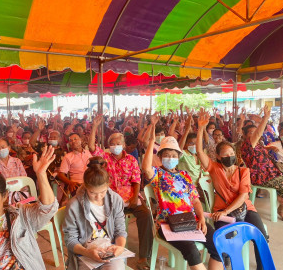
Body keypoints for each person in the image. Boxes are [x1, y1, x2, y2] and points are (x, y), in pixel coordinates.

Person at [141, 115, 223, 270]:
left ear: (179, 158)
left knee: (218, 244)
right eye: (166, 155)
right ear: (160, 157)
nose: (170, 158)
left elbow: (196, 200)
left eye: (173, 155)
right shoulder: (158, 174)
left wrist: (202, 219)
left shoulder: (184, 176)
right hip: (167, 223)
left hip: (191, 220)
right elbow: (145, 168)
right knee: (192, 251)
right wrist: (152, 139)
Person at [196, 109, 268, 270]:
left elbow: (243, 196)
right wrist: (201, 128)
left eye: (231, 153)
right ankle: (226, 261)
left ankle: (262, 267)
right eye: (225, 154)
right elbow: (200, 151)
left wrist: (226, 211)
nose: (229, 156)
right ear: (219, 157)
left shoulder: (243, 171)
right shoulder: (214, 168)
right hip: (221, 211)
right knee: (223, 238)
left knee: (261, 236)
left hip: (244, 209)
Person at [90, 115, 153, 270]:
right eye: (112, 144)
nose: (115, 146)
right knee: (104, 217)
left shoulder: (131, 160)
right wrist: (94, 127)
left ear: (123, 144)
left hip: (130, 197)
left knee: (145, 215)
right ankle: (110, 252)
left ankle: (144, 257)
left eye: (118, 143)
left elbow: (136, 180)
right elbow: (92, 148)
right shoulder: (105, 158)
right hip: (110, 199)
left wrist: (134, 197)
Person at [63, 156, 127, 269]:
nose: (98, 197)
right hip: (85, 251)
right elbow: (70, 239)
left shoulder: (115, 200)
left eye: (102, 192)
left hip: (109, 248)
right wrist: (87, 252)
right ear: (85, 186)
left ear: (108, 185)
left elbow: (120, 230)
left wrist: (120, 247)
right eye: (92, 193)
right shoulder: (74, 205)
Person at [241, 105, 283, 223]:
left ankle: (280, 199)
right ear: (246, 135)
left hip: (272, 173)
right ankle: (282, 211)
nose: (254, 134)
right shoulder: (248, 144)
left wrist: (269, 149)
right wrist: (265, 118)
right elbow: (257, 134)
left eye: (254, 132)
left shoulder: (258, 144)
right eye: (251, 132)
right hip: (261, 176)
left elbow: (261, 154)